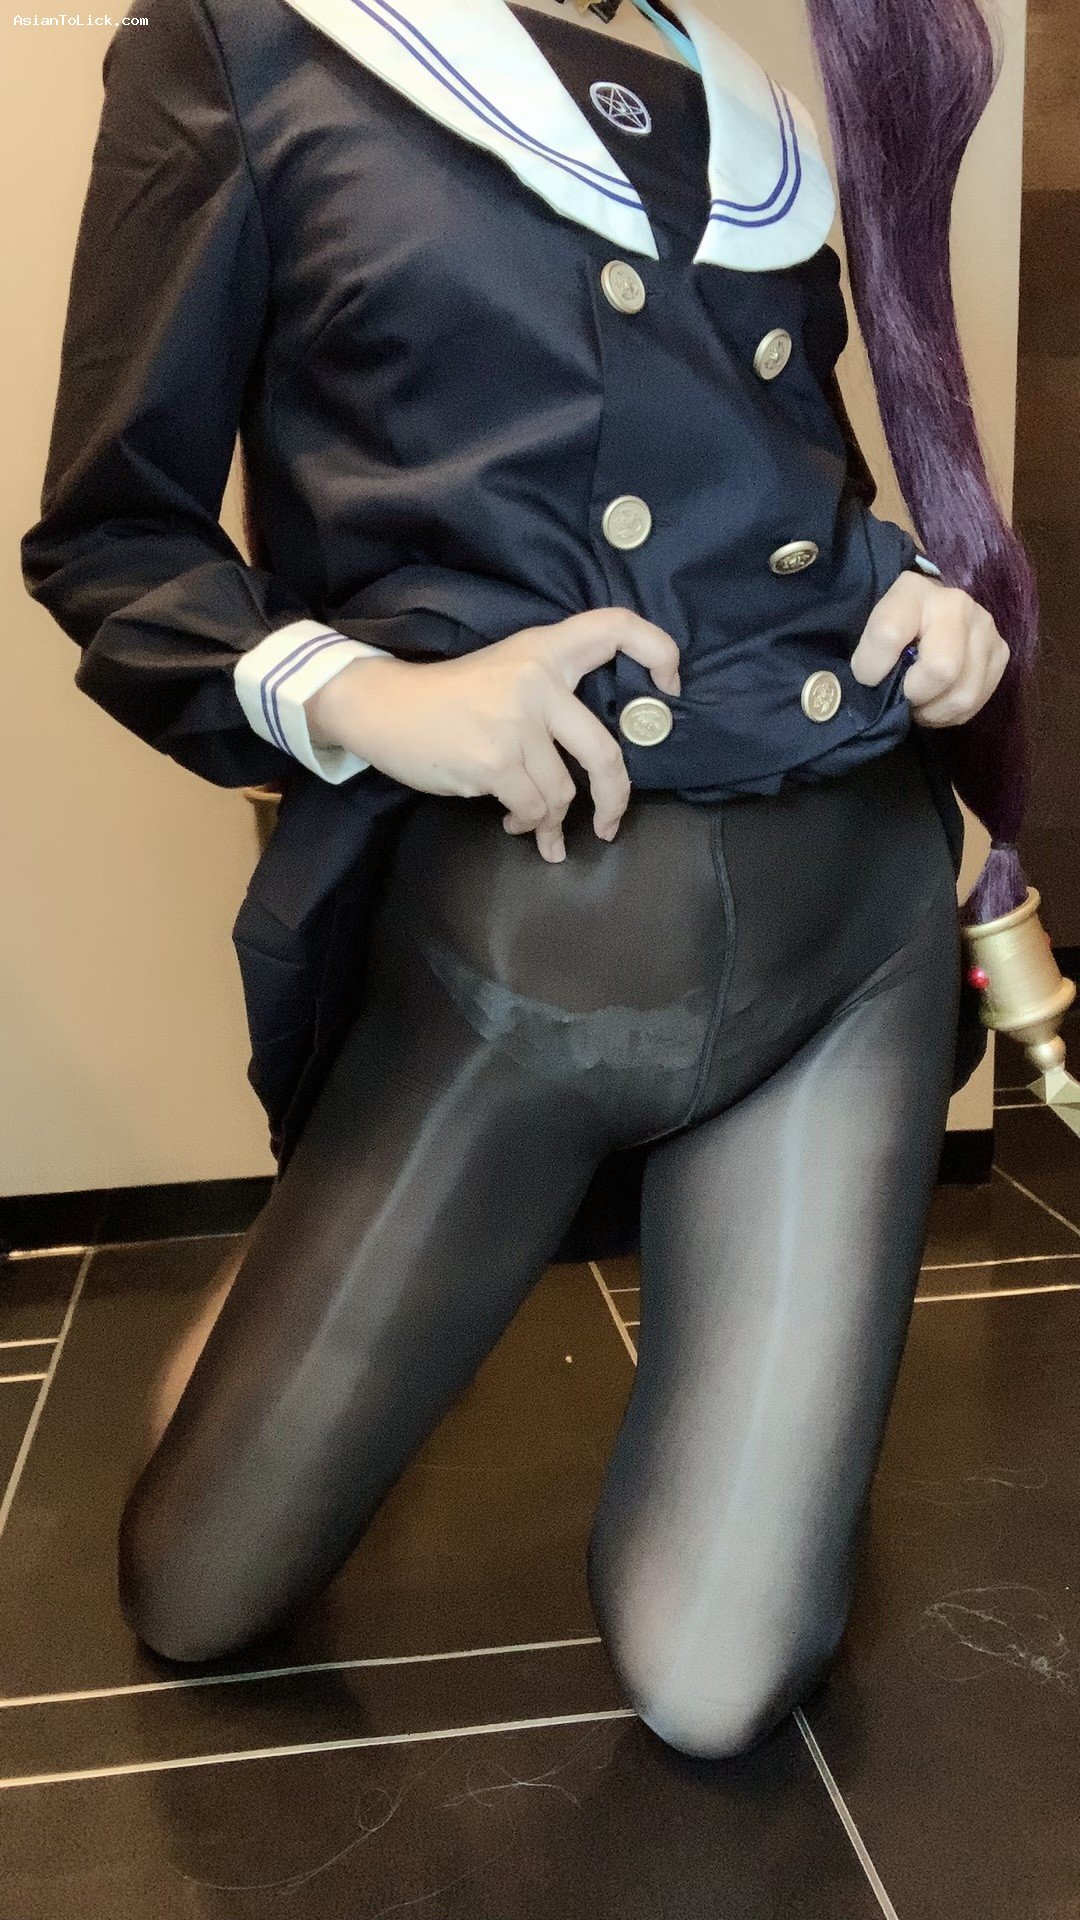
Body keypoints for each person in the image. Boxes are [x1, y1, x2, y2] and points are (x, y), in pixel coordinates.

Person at [21, 0, 1034, 1758]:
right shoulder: (244, 46)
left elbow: (781, 489)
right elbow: (113, 536)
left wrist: (918, 592)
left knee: (720, 1687)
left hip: (851, 914)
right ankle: (292, 1271)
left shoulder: (744, 104)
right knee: (195, 1595)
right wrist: (376, 699)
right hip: (525, 953)